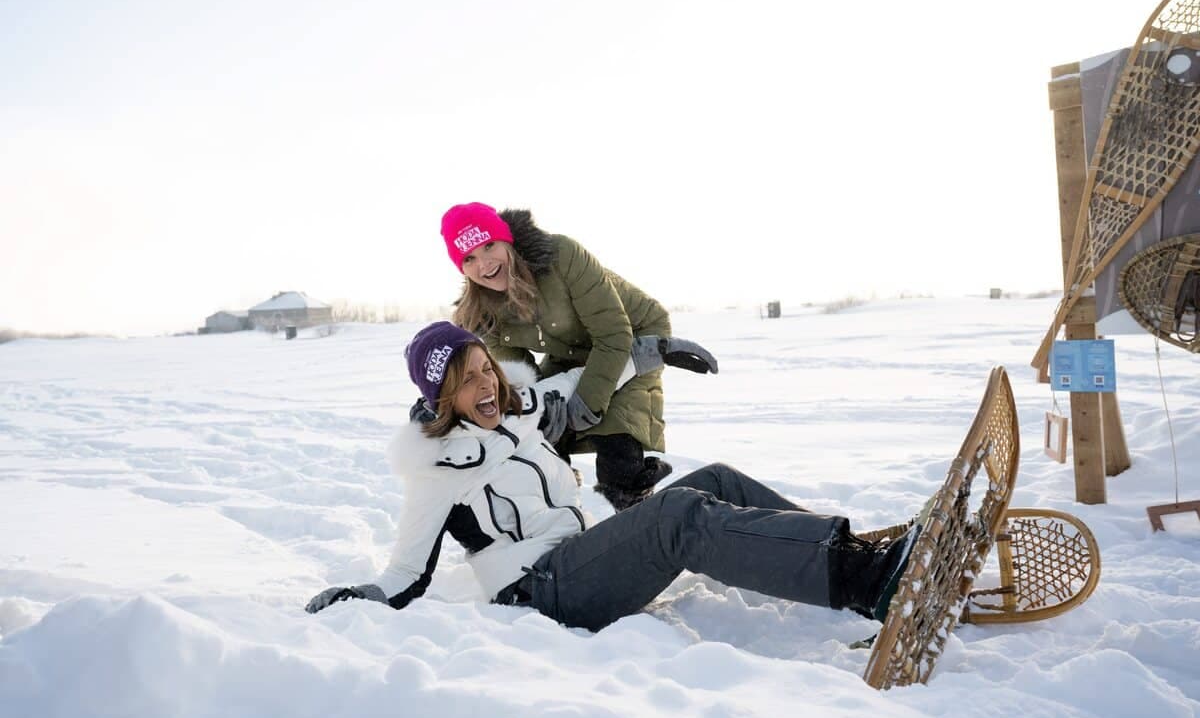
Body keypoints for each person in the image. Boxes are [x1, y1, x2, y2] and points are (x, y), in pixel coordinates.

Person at [306, 321, 917, 632]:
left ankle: (851, 558)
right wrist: (359, 598)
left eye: (484, 368)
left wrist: (657, 351)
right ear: (442, 399)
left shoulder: (520, 410)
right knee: (674, 518)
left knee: (717, 480)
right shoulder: (436, 469)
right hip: (538, 594)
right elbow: (406, 574)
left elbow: (581, 383)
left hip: (577, 558)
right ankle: (867, 581)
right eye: (465, 381)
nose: (486, 385)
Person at [437, 201, 718, 512]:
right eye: (469, 258)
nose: (485, 263)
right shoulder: (482, 313)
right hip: (568, 351)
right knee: (543, 433)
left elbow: (614, 335)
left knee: (616, 446)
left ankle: (641, 512)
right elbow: (521, 379)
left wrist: (586, 404)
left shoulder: (561, 255)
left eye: (489, 245)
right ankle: (562, 513)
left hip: (634, 336)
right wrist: (538, 417)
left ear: (507, 240)